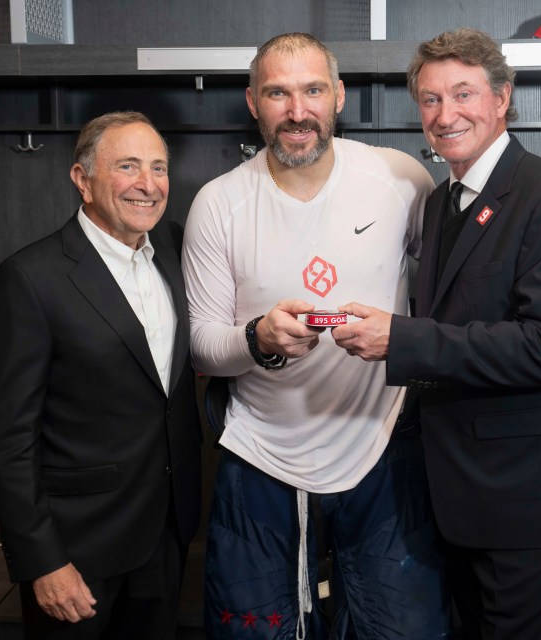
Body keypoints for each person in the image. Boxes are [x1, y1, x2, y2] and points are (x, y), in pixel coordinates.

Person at [331, 29, 541, 640]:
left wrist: (402, 339)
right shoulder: (442, 201)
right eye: (431, 99)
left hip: (533, 497)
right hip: (465, 496)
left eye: (463, 94)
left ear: (502, 97)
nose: (446, 115)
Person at [182, 32, 451, 640]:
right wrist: (257, 339)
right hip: (260, 457)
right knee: (252, 632)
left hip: (381, 447)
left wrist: (396, 336)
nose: (297, 111)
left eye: (312, 91)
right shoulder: (217, 204)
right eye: (278, 92)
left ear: (339, 98)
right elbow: (201, 344)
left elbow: (444, 296)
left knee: (403, 631)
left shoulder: (400, 178)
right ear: (253, 102)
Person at [0, 111, 201, 639]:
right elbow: (8, 440)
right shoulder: (29, 279)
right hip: (78, 549)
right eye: (128, 166)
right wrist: (42, 561)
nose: (148, 185)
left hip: (165, 532)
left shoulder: (171, 246)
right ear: (82, 179)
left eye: (159, 168)